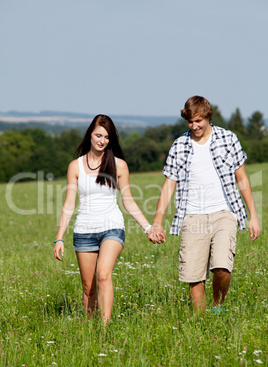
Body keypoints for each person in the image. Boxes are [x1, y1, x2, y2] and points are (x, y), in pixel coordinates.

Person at [148, 96, 260, 312]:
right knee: (194, 275)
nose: (194, 126)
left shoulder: (228, 139)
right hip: (191, 216)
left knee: (222, 267)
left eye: (198, 121)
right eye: (190, 122)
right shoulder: (180, 145)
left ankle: (217, 307)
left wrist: (252, 215)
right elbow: (169, 185)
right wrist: (157, 222)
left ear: (208, 116)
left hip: (224, 212)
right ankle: (201, 322)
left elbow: (242, 179)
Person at [54, 114, 152, 323]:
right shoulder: (75, 166)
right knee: (88, 288)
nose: (102, 140)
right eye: (98, 135)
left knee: (104, 274)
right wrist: (59, 237)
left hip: (112, 228)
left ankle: (105, 329)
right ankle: (90, 329)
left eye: (107, 137)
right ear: (90, 134)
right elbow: (69, 204)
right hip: (84, 231)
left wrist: (147, 227)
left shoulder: (119, 165)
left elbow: (129, 201)